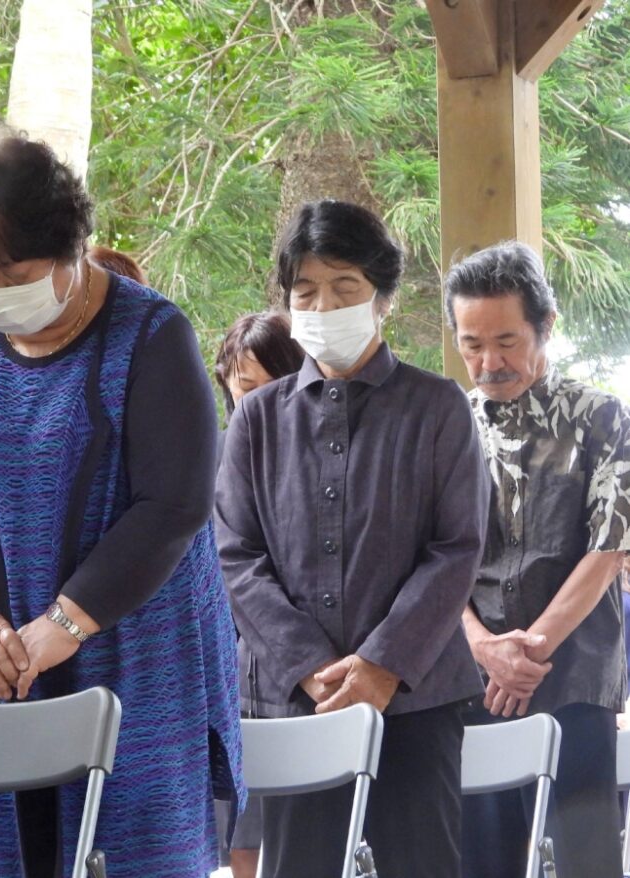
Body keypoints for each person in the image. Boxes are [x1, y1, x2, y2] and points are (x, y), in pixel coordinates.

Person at [0, 131, 244, 878]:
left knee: (129, 853)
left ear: (72, 247)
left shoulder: (152, 334)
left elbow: (174, 505)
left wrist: (65, 623)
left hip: (136, 654)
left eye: (19, 272)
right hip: (2, 659)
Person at [215, 199, 489, 878]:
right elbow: (236, 555)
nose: (323, 305)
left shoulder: (438, 407)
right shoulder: (255, 421)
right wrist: (311, 665)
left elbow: (457, 548)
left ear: (383, 299)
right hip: (291, 702)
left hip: (417, 699)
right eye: (305, 291)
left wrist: (382, 664)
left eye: (345, 288)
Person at [445, 241, 630, 878]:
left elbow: (608, 549)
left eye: (507, 340)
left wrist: (529, 652)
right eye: (471, 344)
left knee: (583, 859)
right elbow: (429, 559)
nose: (489, 362)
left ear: (545, 326)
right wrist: (483, 648)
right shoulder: (448, 426)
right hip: (470, 682)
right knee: (480, 861)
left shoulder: (602, 417)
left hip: (576, 676)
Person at [211, 311, 302, 878]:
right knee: (238, 835)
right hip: (231, 675)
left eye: (273, 388)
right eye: (245, 390)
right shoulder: (212, 456)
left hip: (301, 678)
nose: (258, 406)